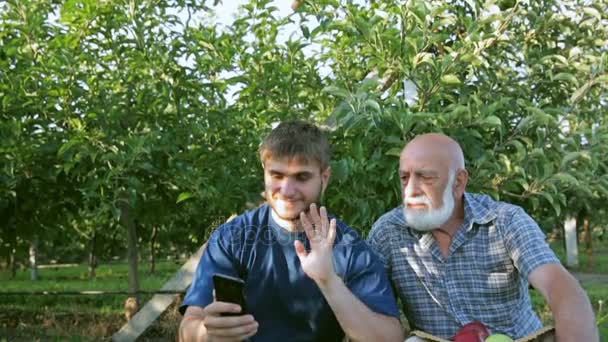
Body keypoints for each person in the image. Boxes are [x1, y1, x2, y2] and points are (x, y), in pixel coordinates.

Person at [179, 120, 404, 342]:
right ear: (264, 172)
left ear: (324, 178)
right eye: (277, 175)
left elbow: (390, 337)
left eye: (301, 177)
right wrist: (208, 334)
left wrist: (328, 280)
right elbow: (187, 328)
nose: (286, 190)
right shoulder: (232, 238)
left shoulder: (348, 246)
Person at [368, 133, 599, 341]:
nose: (411, 190)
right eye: (405, 178)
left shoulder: (505, 221)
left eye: (426, 177)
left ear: (458, 182)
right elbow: (371, 310)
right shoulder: (388, 233)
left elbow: (559, 287)